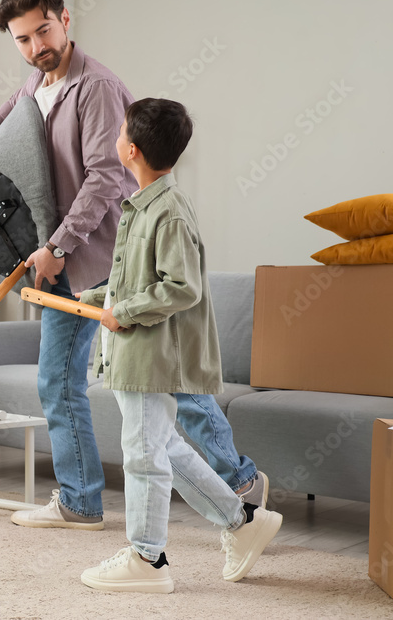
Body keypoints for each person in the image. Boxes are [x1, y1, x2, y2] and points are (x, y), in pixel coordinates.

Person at [0, 0, 266, 530]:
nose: (36, 47)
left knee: (169, 384)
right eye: (23, 39)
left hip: (106, 259)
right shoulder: (38, 80)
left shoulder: (98, 88)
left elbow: (106, 178)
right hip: (59, 256)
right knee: (57, 381)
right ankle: (79, 501)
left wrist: (57, 246)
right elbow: (14, 104)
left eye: (43, 31)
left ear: (65, 19)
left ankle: (243, 481)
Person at [78, 99, 282, 592]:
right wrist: (99, 298)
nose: (116, 137)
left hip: (151, 356)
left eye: (120, 131)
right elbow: (139, 279)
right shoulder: (143, 204)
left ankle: (147, 560)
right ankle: (241, 521)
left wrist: (124, 312)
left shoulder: (167, 211)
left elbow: (181, 287)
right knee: (162, 447)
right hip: (135, 352)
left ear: (131, 149)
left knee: (143, 455)